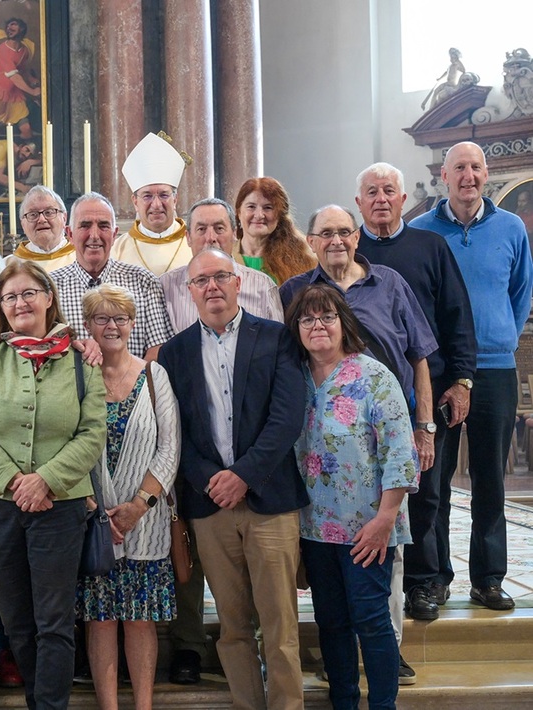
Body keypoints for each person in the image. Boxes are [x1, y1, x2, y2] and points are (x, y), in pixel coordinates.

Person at [158, 248, 309, 710]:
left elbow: (288, 417)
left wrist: (242, 475)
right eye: (201, 281)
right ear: (190, 291)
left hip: (270, 500)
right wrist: (212, 481)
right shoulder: (175, 351)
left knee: (280, 626)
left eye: (220, 276)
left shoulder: (277, 338)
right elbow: (175, 430)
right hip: (211, 507)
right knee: (233, 627)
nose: (212, 287)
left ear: (238, 282)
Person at [0, 259, 107, 710]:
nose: (20, 302)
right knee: (17, 619)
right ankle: (37, 700)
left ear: (47, 299)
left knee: (55, 621)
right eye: (10, 296)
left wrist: (45, 481)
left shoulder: (81, 361)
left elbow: (92, 432)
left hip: (60, 506)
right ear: (1, 307)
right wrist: (12, 480)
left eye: (28, 293)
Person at [353, 162, 477, 683]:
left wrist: (463, 379)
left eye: (388, 191)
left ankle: (425, 580)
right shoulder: (345, 251)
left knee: (426, 493)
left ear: (404, 198)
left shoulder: (430, 247)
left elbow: (455, 315)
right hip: (350, 413)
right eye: (371, 192)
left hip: (423, 397)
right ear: (358, 202)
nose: (380, 200)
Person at [409, 140, 533, 611]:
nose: (469, 176)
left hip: (497, 369)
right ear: (445, 175)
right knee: (433, 480)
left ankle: (488, 577)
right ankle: (434, 578)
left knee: (490, 480)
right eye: (459, 167)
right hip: (439, 371)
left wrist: (499, 337)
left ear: (486, 174)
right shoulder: (422, 231)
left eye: (476, 167)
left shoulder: (510, 228)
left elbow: (521, 291)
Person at [288, 283, 419, 710]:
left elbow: (400, 452)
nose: (317, 326)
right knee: (331, 622)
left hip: (369, 527)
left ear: (344, 323)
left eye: (327, 317)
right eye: (307, 319)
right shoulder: (293, 380)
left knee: (371, 620)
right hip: (315, 528)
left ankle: (383, 704)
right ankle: (343, 701)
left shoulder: (373, 375)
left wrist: (385, 519)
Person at [76, 284, 180, 710]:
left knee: (140, 619)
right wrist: (94, 507)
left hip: (146, 519)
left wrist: (139, 505)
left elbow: (170, 446)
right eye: (102, 318)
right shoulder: (76, 376)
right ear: (89, 325)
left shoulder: (155, 376)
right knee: (100, 620)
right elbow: (64, 441)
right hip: (93, 519)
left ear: (133, 324)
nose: (112, 326)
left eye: (120, 318)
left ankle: (143, 705)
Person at [280, 206, 437, 476]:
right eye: (326, 233)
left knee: (408, 505)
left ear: (356, 238)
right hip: (323, 436)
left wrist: (425, 427)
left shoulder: (390, 283)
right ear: (311, 242)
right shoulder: (293, 291)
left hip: (393, 424)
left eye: (344, 232)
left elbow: (419, 355)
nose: (336, 241)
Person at [51, 192, 174, 360]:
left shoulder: (144, 282)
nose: (94, 235)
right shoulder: (51, 288)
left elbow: (158, 348)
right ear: (70, 234)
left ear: (114, 234)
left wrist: (131, 385)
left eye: (103, 226)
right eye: (85, 225)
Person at [161, 198, 283, 329]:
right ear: (188, 237)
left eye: (219, 228)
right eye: (201, 229)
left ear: (234, 234)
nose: (211, 238)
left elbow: (278, 342)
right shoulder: (166, 287)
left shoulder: (263, 286)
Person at [113, 132, 192, 276]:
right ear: (135, 202)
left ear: (175, 200)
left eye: (163, 195)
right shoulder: (117, 250)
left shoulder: (194, 243)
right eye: (147, 196)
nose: (156, 204)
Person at [233, 177, 316, 284]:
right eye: (251, 207)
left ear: (280, 215)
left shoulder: (305, 261)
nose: (259, 215)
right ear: (239, 212)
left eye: (268, 207)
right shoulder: (223, 257)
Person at [9, 185, 76, 271]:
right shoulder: (7, 266)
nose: (41, 220)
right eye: (33, 214)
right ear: (23, 224)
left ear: (64, 218)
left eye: (49, 212)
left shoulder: (84, 261)